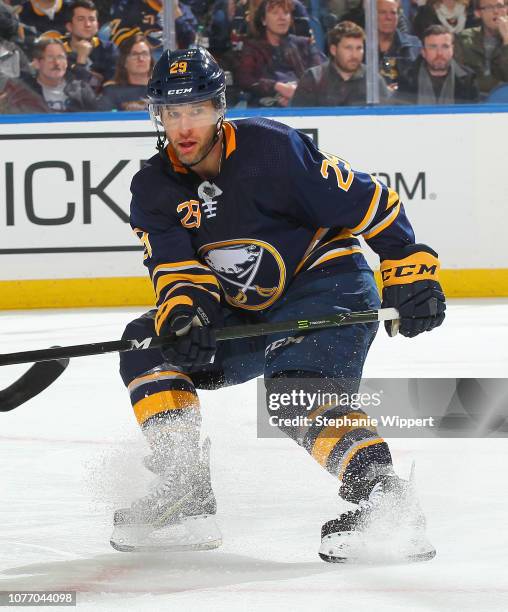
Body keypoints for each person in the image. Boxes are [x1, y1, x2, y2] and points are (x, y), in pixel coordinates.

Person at [110, 46, 446, 562]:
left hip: (326, 283)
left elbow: (368, 201)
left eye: (196, 109)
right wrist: (185, 315)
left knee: (294, 394)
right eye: (172, 112)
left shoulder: (272, 148)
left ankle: (385, 500)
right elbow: (176, 269)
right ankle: (185, 490)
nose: (183, 126)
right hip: (247, 308)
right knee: (145, 342)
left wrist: (408, 266)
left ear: (218, 108)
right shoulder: (152, 186)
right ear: (157, 115)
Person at [236, 0, 325, 106]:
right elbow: (245, 79)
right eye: (275, 13)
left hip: (303, 104)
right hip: (265, 109)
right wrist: (277, 87)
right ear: (264, 20)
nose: (282, 18)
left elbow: (321, 74)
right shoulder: (252, 48)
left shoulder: (304, 44)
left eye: (286, 13)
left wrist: (298, 93)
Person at [292, 21, 391, 106]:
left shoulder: (373, 80)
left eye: (359, 48)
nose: (354, 55)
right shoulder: (313, 79)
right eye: (348, 48)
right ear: (333, 50)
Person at [397, 24, 479, 103]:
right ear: (423, 52)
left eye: (445, 47)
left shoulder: (468, 80)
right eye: (433, 47)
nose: (439, 53)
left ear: (452, 50)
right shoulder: (406, 79)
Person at [24, 37, 98, 111]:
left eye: (61, 57)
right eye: (50, 58)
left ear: (66, 63)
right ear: (37, 63)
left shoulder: (81, 90)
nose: (57, 63)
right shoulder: (25, 92)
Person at [61, 0, 118, 91]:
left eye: (92, 19)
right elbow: (71, 90)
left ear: (97, 26)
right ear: (69, 26)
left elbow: (110, 86)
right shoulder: (58, 50)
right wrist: (81, 59)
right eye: (81, 19)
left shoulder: (109, 49)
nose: (87, 24)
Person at [454, 0, 508, 96]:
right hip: (472, 100)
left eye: (500, 6)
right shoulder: (464, 39)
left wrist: (507, 41)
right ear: (478, 13)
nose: (496, 11)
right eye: (489, 7)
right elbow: (459, 78)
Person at [98, 33, 153, 111]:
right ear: (124, 62)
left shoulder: (164, 90)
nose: (141, 59)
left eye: (145, 54)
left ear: (151, 60)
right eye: (134, 54)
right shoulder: (112, 92)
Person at [377, 0, 421, 90]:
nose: (388, 17)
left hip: (405, 100)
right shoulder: (361, 46)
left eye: (393, 13)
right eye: (382, 12)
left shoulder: (414, 45)